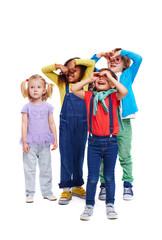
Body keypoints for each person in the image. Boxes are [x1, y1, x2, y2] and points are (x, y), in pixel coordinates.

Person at [71, 69, 128, 220]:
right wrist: (90, 79)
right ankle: (89, 205)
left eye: (105, 77)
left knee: (109, 176)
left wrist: (111, 77)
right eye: (99, 77)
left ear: (111, 82)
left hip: (111, 142)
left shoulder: (114, 96)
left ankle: (110, 204)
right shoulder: (90, 96)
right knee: (92, 177)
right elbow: (74, 88)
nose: (101, 78)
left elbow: (124, 91)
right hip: (94, 143)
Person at [42, 58, 95, 205]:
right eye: (67, 71)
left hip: (83, 123)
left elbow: (91, 64)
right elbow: (44, 70)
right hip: (66, 123)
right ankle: (66, 187)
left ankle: (77, 185)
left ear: (82, 73)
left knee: (79, 153)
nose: (70, 73)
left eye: (74, 71)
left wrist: (74, 61)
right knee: (66, 154)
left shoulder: (85, 80)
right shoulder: (61, 83)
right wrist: (59, 66)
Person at [91, 49, 142, 200]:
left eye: (117, 59)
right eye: (110, 59)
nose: (113, 61)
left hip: (123, 122)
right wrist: (99, 56)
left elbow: (138, 58)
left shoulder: (127, 75)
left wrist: (121, 51)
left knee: (125, 154)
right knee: (102, 155)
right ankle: (104, 185)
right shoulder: (102, 75)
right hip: (105, 121)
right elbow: (88, 67)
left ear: (126, 63)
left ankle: (127, 185)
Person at [20, 74, 58, 203]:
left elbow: (52, 123)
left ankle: (47, 191)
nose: (35, 89)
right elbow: (24, 124)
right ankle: (29, 192)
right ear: (27, 90)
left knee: (46, 168)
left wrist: (55, 139)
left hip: (44, 143)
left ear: (44, 89)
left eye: (38, 87)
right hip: (30, 143)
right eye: (32, 87)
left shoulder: (48, 107)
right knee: (29, 169)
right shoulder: (27, 107)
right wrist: (24, 141)